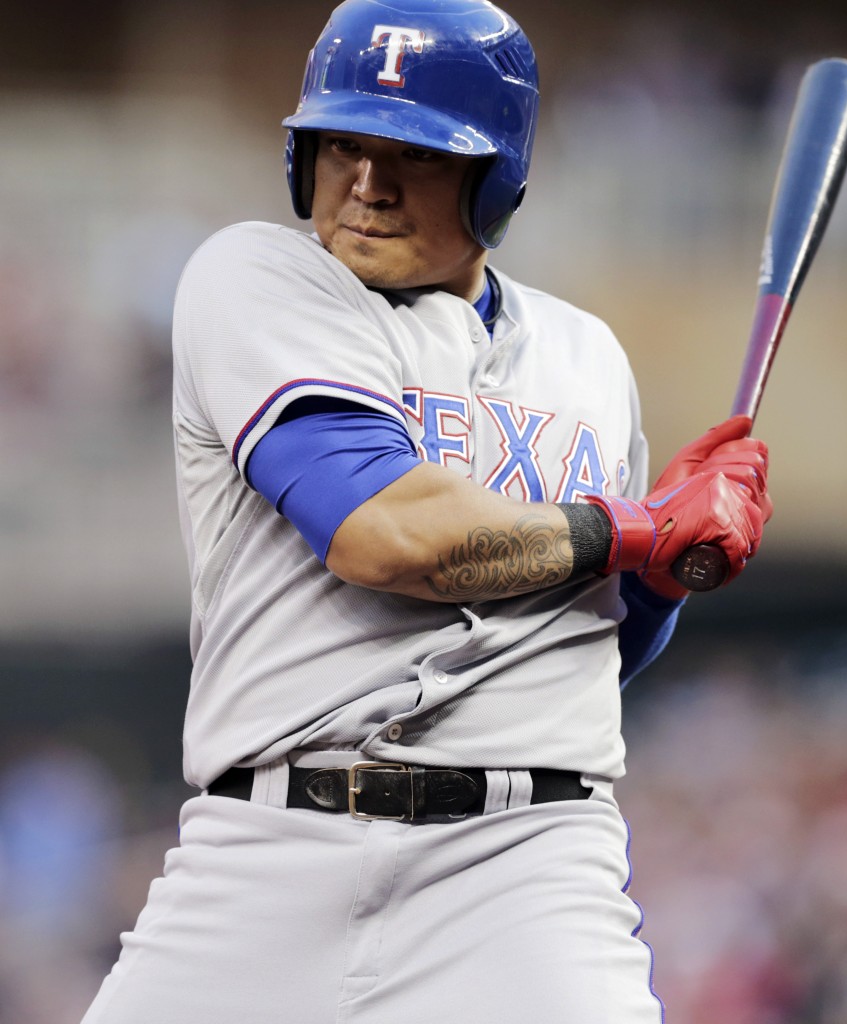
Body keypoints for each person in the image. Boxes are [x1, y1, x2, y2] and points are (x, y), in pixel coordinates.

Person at [81, 1, 771, 1022]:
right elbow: (385, 533)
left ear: (496, 178)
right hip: (269, 849)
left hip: (522, 865)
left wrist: (671, 570)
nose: (366, 184)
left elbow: (591, 649)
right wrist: (636, 527)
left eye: (414, 154)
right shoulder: (255, 278)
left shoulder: (588, 356)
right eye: (341, 145)